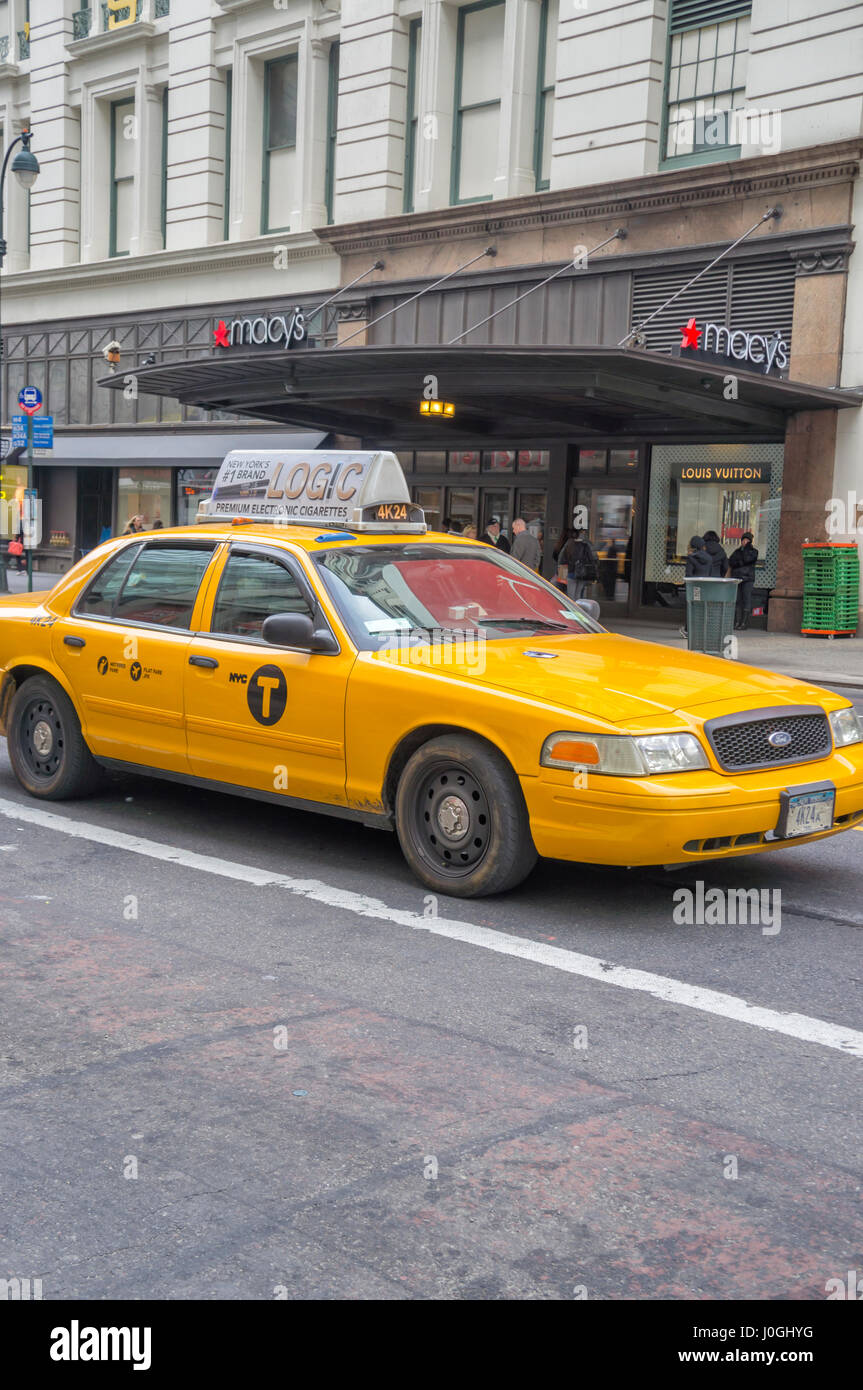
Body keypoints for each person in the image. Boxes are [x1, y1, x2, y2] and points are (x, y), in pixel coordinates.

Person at [729, 530, 758, 630]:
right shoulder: (737, 551)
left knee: (746, 599)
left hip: (748, 579)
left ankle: (744, 623)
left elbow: (748, 560)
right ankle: (737, 622)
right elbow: (731, 561)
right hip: (737, 578)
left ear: (750, 542)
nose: (744, 542)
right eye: (743, 540)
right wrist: (740, 562)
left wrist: (746, 550)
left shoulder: (754, 552)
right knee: (737, 600)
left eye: (747, 540)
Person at [559, 528, 597, 601]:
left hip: (570, 574)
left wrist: (562, 577)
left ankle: (571, 610)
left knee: (570, 596)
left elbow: (562, 561)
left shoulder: (569, 545)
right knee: (578, 595)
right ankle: (577, 610)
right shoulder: (585, 546)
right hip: (582, 574)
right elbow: (591, 559)